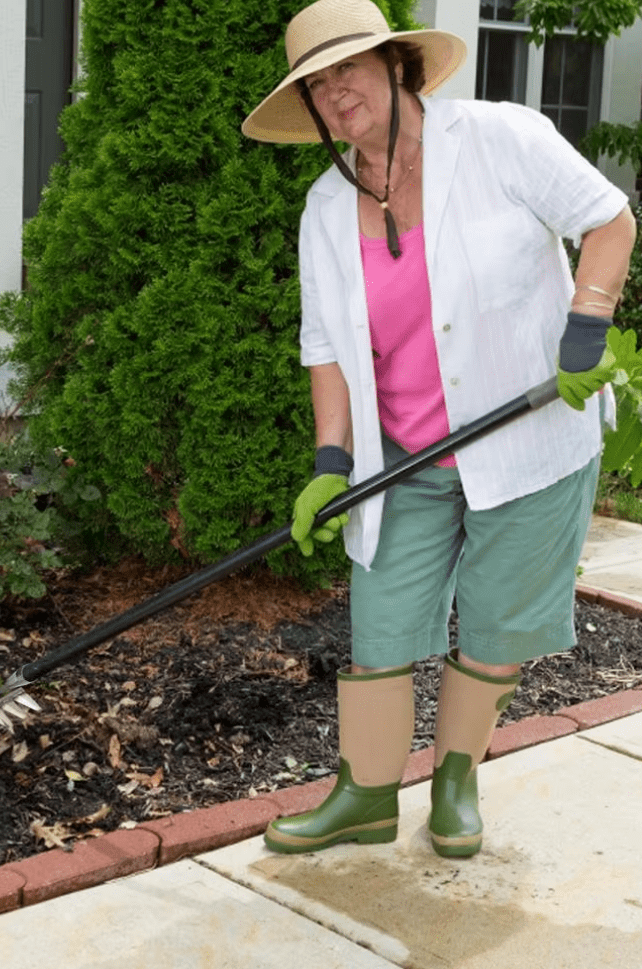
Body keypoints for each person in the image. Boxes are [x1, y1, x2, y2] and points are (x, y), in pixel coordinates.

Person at [242, 0, 637, 858]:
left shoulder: (504, 139)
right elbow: (326, 348)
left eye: (347, 66)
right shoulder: (323, 206)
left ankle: (456, 778)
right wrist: (331, 460)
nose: (335, 90)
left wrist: (585, 328)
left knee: (497, 624)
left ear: (395, 63)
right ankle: (367, 794)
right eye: (315, 82)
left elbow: (609, 220)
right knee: (381, 626)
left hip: (528, 442)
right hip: (406, 455)